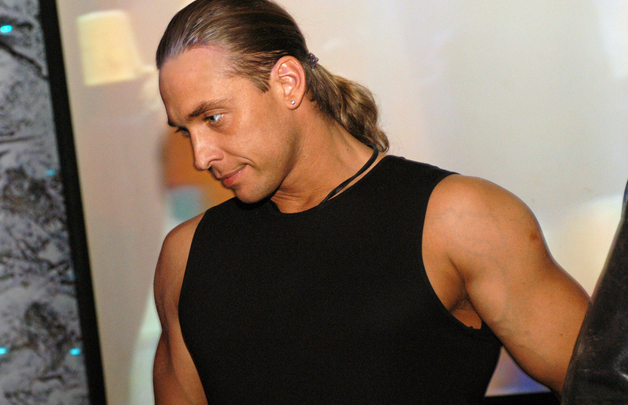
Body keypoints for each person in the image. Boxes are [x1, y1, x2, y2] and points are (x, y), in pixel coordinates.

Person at [152, 0, 590, 403]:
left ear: (288, 82)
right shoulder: (185, 256)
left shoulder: (458, 219)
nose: (200, 156)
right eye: (186, 131)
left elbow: (604, 385)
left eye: (213, 118)